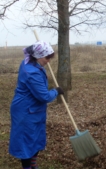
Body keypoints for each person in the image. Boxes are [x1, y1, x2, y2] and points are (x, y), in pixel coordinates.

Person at [9, 41, 64, 169]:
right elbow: (44, 96)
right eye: (47, 57)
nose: (49, 61)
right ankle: (27, 167)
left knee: (36, 139)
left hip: (34, 109)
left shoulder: (30, 63)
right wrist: (56, 91)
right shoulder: (31, 72)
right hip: (25, 111)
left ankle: (33, 165)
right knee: (27, 143)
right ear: (38, 56)